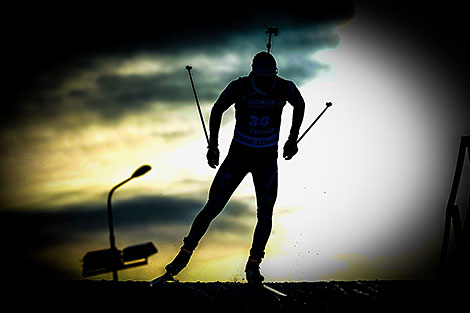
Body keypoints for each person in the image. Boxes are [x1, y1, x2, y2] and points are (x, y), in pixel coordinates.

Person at [164, 51, 305, 283]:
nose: (267, 83)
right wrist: (213, 145)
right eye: (262, 79)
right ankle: (184, 255)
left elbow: (299, 105)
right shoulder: (239, 87)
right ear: (254, 73)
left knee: (265, 214)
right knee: (213, 207)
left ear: (275, 74)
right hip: (239, 156)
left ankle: (253, 265)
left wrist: (292, 139)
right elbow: (218, 108)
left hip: (266, 159)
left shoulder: (284, 87)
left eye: (270, 78)